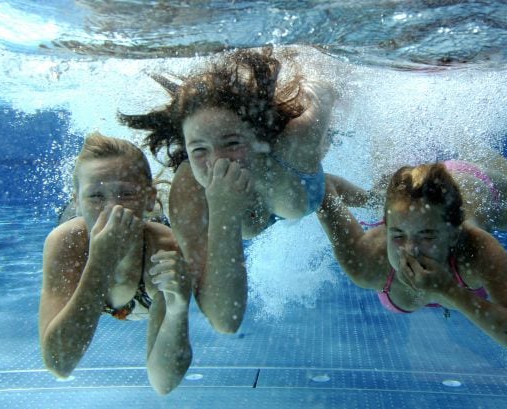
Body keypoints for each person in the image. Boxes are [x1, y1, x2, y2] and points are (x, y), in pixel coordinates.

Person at [119, 47, 361, 334]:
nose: (218, 162)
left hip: (298, 171)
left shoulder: (297, 141)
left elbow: (323, 89)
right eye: (199, 149)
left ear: (257, 135)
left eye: (232, 143)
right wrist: (224, 212)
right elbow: (225, 320)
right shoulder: (189, 191)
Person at [317, 162, 507, 370]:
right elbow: (322, 185)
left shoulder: (476, 251)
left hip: (473, 184)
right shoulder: (367, 261)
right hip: (421, 202)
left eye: (427, 236)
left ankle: (472, 143)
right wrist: (367, 198)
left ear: (453, 235)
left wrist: (451, 291)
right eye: (398, 235)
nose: (411, 250)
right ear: (385, 225)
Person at [39, 132, 192, 395]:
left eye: (126, 193)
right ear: (77, 201)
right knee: (75, 228)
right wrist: (101, 260)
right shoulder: (67, 244)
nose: (113, 209)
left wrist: (178, 310)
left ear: (148, 198)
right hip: (82, 232)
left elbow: (163, 383)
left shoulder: (165, 250)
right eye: (96, 197)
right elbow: (59, 364)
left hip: (149, 233)